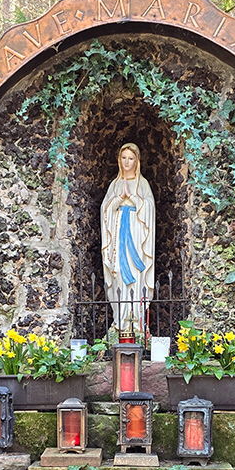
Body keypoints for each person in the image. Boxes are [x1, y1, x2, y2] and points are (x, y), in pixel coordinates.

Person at [100, 143, 155, 334]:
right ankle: (120, 322)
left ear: (137, 161)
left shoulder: (143, 184)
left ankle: (137, 323)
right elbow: (105, 210)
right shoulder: (115, 184)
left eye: (131, 158)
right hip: (118, 237)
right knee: (119, 276)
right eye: (124, 158)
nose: (127, 162)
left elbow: (150, 208)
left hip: (137, 236)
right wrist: (118, 199)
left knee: (136, 275)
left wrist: (134, 198)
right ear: (119, 160)